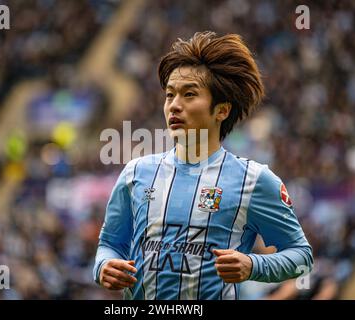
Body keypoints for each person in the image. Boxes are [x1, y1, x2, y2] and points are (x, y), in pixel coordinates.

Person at [93, 31, 313, 300]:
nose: (174, 105)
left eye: (189, 94)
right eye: (169, 95)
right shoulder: (135, 173)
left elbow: (302, 256)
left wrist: (253, 265)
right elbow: (110, 244)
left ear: (222, 110)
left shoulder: (255, 181)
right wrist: (103, 266)